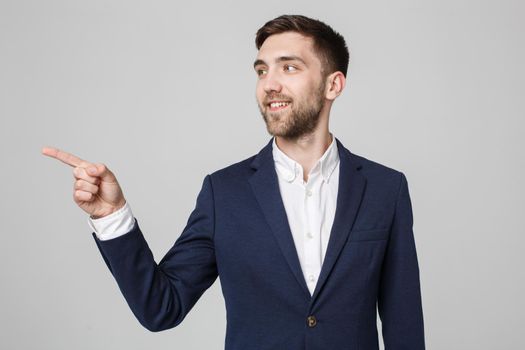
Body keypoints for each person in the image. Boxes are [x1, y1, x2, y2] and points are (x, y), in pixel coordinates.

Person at [42, 14, 425, 350]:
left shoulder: (385, 189)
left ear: (333, 85)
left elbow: (404, 327)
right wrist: (112, 216)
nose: (269, 84)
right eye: (262, 70)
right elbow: (161, 307)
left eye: (288, 68)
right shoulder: (223, 193)